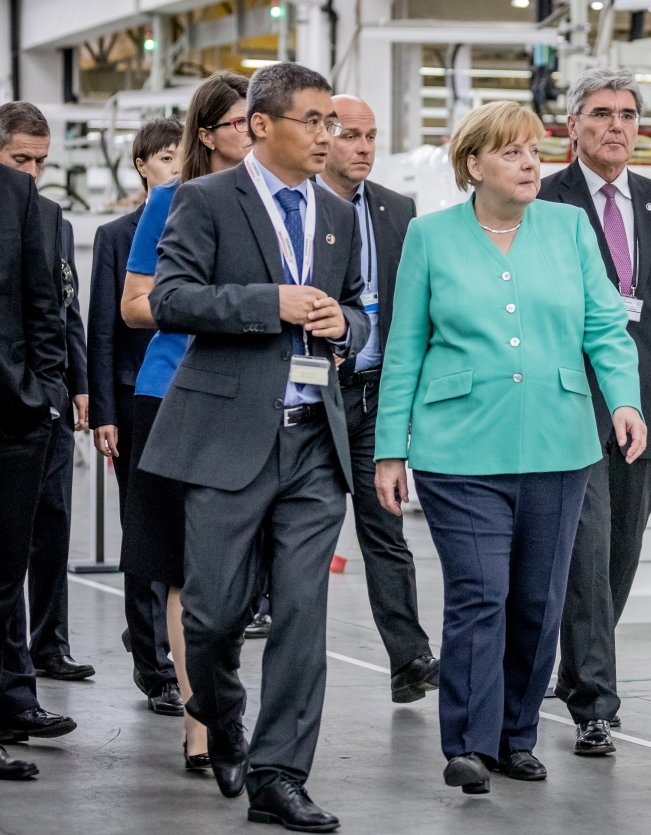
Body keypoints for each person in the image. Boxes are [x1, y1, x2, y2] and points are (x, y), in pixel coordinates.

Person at [374, 101, 645, 794]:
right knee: (480, 594)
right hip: (457, 451)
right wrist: (389, 449)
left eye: (534, 151)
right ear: (474, 165)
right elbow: (404, 349)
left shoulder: (569, 228)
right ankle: (467, 741)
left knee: (537, 600)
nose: (531, 163)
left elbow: (606, 328)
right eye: (513, 152)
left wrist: (624, 399)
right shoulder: (430, 238)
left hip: (560, 444)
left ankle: (514, 735)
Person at [142, 62, 366, 832]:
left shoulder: (339, 212)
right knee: (209, 616)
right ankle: (221, 712)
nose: (327, 136)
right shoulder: (202, 201)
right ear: (263, 125)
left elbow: (365, 305)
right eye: (314, 120)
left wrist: (350, 327)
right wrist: (269, 304)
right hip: (227, 437)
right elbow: (168, 298)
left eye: (331, 122)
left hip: (314, 444)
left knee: (303, 616)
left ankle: (278, 776)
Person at [539, 67, 651, 755]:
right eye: (603, 113)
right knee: (585, 553)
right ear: (574, 125)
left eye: (629, 114)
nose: (617, 125)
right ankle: (594, 703)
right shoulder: (545, 199)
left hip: (645, 402)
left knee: (621, 553)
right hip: (571, 404)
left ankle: (577, 664)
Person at [119, 71, 251, 766]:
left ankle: (225, 709)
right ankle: (202, 726)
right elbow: (135, 304)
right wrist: (218, 306)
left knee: (237, 577)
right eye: (237, 122)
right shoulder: (171, 200)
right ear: (207, 133)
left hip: (254, 398)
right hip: (174, 396)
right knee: (183, 572)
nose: (252, 131)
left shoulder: (279, 202)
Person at [316, 94, 438, 702]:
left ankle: (410, 659)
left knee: (385, 525)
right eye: (350, 135)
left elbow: (410, 306)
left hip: (375, 393)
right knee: (303, 529)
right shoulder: (302, 205)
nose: (364, 147)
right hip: (315, 396)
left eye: (371, 136)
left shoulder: (399, 210)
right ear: (323, 138)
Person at [88, 116, 184, 716]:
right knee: (145, 535)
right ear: (143, 165)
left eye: (181, 155)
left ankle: (169, 646)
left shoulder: (204, 220)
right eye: (164, 157)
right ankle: (153, 666)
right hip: (130, 395)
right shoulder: (117, 235)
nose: (174, 165)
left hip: (189, 392)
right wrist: (103, 410)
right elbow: (104, 326)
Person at [0, 102, 95, 683]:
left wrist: (71, 388)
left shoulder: (53, 217)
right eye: (19, 159)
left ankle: (48, 645)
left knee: (52, 522)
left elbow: (64, 308)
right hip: (13, 394)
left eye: (40, 161)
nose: (32, 172)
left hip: (44, 397)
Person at [0, 158, 66, 781]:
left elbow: (41, 301)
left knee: (3, 574)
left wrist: (44, 393)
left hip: (13, 416)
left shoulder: (16, 192)